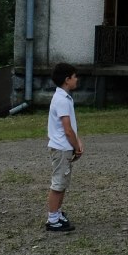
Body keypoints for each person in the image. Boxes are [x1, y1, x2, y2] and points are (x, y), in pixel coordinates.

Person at [45, 63, 83, 233]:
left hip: (65, 147)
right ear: (67, 80)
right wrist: (76, 147)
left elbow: (70, 128)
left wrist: (77, 143)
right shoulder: (61, 100)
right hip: (61, 148)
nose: (77, 80)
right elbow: (67, 129)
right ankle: (52, 218)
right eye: (74, 77)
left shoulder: (64, 97)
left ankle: (58, 213)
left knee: (63, 181)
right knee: (58, 183)